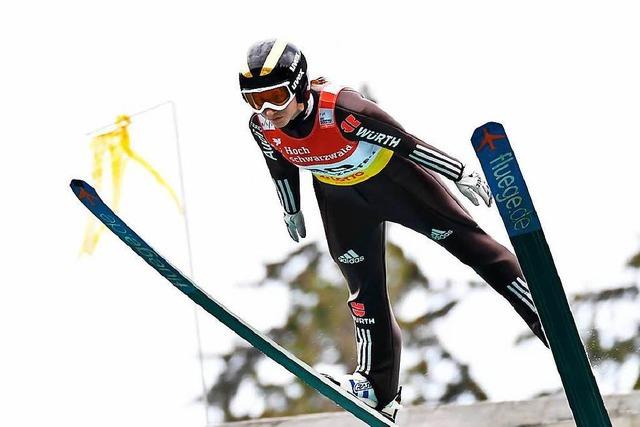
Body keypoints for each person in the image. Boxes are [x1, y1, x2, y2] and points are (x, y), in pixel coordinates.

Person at [239, 39, 548, 421]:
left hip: (396, 183)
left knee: (472, 248)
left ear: (300, 86)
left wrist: (459, 172)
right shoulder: (263, 129)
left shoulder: (344, 111)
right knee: (363, 293)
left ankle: (543, 316)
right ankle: (376, 387)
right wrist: (291, 210)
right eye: (254, 100)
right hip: (341, 200)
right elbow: (281, 169)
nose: (267, 110)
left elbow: (408, 144)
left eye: (275, 97)